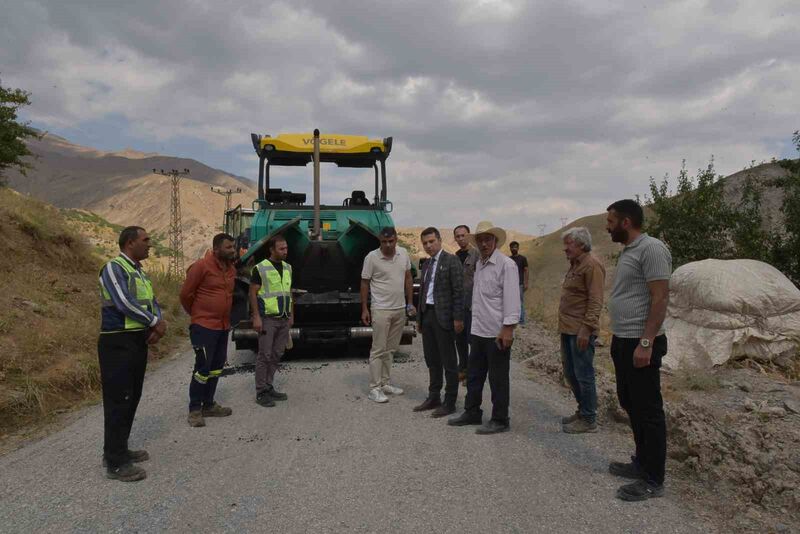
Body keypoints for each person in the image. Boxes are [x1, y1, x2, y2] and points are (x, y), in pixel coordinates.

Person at [605, 199, 672, 502]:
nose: (607, 226)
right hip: (623, 339)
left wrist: (646, 342)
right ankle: (641, 462)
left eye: (611, 221)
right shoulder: (630, 251)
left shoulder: (652, 249)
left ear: (626, 222)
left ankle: (653, 478)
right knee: (629, 401)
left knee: (648, 410)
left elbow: (659, 299)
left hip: (641, 342)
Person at [98, 226, 166, 482]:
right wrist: (153, 322)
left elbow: (152, 301)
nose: (150, 244)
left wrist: (158, 323)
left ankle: (120, 448)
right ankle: (115, 463)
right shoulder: (114, 268)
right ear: (129, 243)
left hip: (137, 340)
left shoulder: (140, 272)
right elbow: (122, 302)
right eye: (145, 240)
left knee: (131, 396)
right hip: (117, 342)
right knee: (118, 400)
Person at [449, 221, 519, 434]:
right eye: (480, 240)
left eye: (488, 239)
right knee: (474, 375)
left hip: (496, 333)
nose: (484, 243)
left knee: (498, 379)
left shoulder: (506, 265)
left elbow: (512, 300)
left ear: (495, 241)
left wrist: (508, 329)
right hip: (478, 330)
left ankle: (500, 419)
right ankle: (472, 411)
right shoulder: (479, 263)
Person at [180, 233, 237, 428]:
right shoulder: (201, 267)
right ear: (217, 249)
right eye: (229, 247)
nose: (233, 251)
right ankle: (195, 409)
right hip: (204, 327)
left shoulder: (231, 269)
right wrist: (198, 315)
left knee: (216, 367)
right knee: (202, 368)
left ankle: (209, 404)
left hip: (222, 326)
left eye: (233, 247)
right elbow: (185, 294)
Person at [557, 227, 606, 434]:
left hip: (581, 331)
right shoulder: (575, 264)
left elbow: (596, 301)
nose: (565, 248)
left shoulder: (592, 265)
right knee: (570, 372)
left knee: (583, 374)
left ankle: (589, 418)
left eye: (569, 244)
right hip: (568, 329)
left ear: (581, 244)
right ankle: (582, 409)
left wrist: (587, 329)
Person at [361, 226, 415, 403]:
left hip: (399, 309)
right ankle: (374, 388)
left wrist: (410, 303)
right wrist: (364, 308)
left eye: (391, 241)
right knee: (378, 349)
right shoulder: (372, 258)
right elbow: (364, 283)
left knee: (390, 349)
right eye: (384, 242)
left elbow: (408, 279)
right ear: (380, 241)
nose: (388, 245)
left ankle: (385, 383)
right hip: (381, 309)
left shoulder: (403, 254)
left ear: (396, 239)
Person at [414, 227, 464, 417]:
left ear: (440, 240)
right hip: (428, 315)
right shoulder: (426, 264)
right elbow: (422, 293)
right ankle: (433, 396)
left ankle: (450, 401)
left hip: (444, 317)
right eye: (425, 243)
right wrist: (419, 318)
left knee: (448, 361)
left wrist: (458, 318)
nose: (428, 245)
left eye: (432, 241)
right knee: (432, 359)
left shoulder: (452, 261)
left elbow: (459, 292)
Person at [250, 234, 293, 407]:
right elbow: (252, 292)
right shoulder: (260, 268)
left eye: (286, 248)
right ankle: (261, 392)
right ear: (272, 250)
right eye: (281, 249)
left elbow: (289, 292)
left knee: (276, 354)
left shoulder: (288, 267)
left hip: (283, 319)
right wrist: (256, 317)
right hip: (268, 318)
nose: (285, 251)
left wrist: (291, 315)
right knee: (265, 355)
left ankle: (269, 386)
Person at [453, 224, 479, 383]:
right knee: (459, 339)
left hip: (473, 305)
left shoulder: (477, 255)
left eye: (463, 235)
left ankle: (473, 371)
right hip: (458, 305)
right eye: (458, 236)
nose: (461, 238)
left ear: (469, 236)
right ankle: (462, 367)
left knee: (473, 339)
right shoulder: (454, 257)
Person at [509, 241, 529, 325]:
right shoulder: (508, 259)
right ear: (510, 248)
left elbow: (526, 270)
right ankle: (513, 318)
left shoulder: (523, 259)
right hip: (510, 284)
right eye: (512, 247)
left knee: (520, 301)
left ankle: (521, 320)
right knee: (511, 301)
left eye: (515, 247)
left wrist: (526, 282)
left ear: (518, 248)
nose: (514, 248)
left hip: (519, 283)